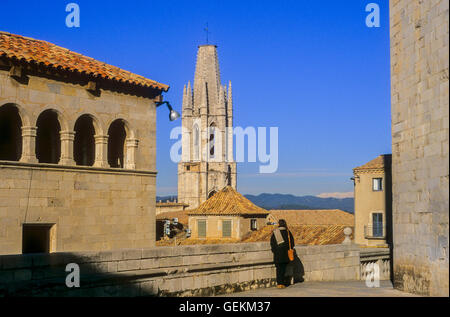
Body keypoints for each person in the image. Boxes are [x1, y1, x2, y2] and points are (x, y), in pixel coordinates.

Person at [270, 219, 295, 288]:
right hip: (285, 254)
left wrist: (275, 251)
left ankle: (279, 283)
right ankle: (282, 283)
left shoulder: (275, 233)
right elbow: (292, 243)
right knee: (283, 268)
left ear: (279, 224)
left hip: (277, 254)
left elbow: (272, 243)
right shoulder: (288, 233)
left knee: (278, 269)